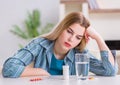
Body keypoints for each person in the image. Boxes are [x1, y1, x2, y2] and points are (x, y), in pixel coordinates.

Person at [2, 12, 118, 78]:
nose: (71, 39)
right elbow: (9, 68)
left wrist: (98, 38)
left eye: (78, 37)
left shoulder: (80, 54)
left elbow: (110, 71)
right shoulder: (40, 45)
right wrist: (41, 72)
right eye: (69, 31)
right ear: (61, 28)